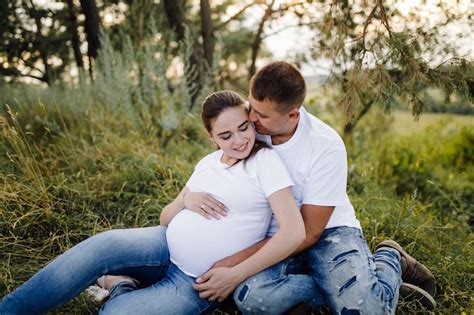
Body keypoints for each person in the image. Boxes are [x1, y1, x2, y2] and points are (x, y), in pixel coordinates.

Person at [0, 90, 305, 314]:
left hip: (194, 280)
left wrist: (236, 274)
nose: (239, 140)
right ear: (212, 137)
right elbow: (165, 217)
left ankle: (120, 285)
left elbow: (293, 232)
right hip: (160, 243)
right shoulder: (208, 163)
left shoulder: (265, 162)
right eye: (226, 135)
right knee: (95, 250)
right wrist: (186, 199)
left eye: (244, 127)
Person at [188, 61, 437, 314]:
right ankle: (354, 287)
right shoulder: (247, 132)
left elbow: (309, 232)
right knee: (252, 298)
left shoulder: (325, 145)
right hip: (270, 235)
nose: (251, 118)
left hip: (327, 231)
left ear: (292, 115)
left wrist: (233, 265)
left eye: (262, 115)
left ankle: (388, 259)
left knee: (368, 310)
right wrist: (189, 197)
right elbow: (220, 170)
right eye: (252, 107)